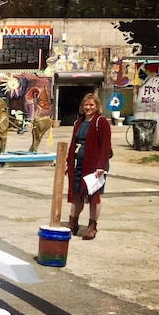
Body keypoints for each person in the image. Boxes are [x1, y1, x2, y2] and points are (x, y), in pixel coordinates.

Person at [66, 93, 112, 240]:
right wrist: (69, 162)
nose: (88, 107)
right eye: (86, 105)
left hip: (95, 166)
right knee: (76, 194)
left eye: (91, 105)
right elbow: (73, 144)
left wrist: (101, 166)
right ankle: (73, 222)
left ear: (97, 106)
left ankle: (92, 226)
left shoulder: (101, 122)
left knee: (93, 197)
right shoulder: (78, 123)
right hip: (79, 164)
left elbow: (105, 146)